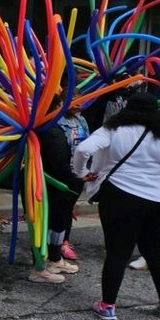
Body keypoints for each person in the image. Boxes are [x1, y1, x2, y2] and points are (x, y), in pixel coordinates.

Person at [72, 92, 160, 320]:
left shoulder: (113, 129)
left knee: (117, 252)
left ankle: (108, 305)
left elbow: (83, 149)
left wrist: (82, 173)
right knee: (156, 252)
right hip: (158, 199)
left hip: (120, 195)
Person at [35, 98, 85, 283]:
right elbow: (59, 162)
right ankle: (38, 268)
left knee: (58, 222)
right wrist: (76, 179)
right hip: (52, 184)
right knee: (45, 223)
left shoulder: (54, 127)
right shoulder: (51, 131)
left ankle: (54, 259)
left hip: (58, 183)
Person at [56, 103, 90, 262]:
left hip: (79, 173)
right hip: (62, 173)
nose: (79, 104)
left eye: (81, 99)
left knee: (68, 208)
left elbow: (87, 145)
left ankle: (63, 240)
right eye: (74, 100)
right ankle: (61, 243)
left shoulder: (81, 120)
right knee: (62, 209)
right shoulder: (56, 122)